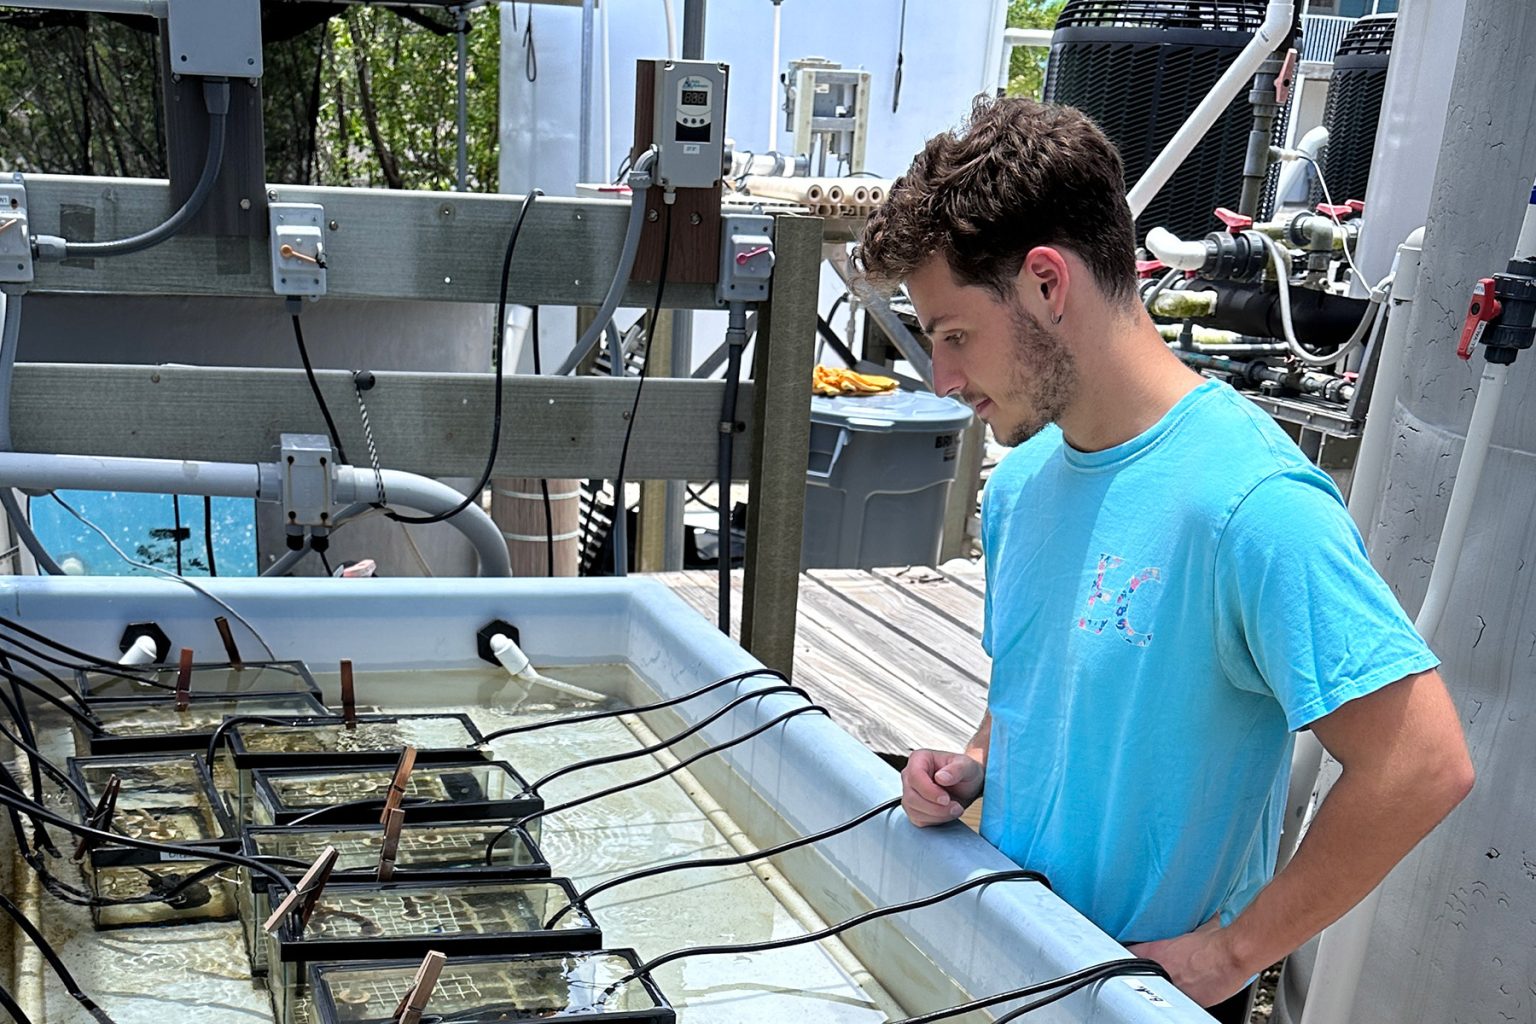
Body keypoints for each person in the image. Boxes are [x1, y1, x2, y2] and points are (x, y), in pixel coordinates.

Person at [853, 96, 1474, 1021]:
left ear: (1047, 285)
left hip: (1145, 996)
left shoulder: (1251, 502)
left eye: (953, 335)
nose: (943, 380)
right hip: (1004, 959)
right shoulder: (1024, 485)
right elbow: (1042, 693)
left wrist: (1236, 953)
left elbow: (1421, 764)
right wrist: (976, 765)